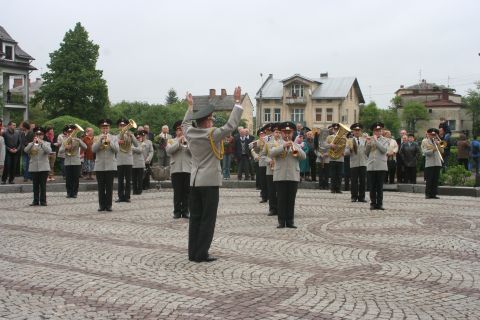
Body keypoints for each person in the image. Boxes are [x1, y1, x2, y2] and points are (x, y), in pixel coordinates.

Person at [183, 86, 243, 263]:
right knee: (208, 220)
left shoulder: (190, 133)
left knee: (195, 218)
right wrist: (237, 103)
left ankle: (192, 252)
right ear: (207, 122)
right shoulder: (212, 134)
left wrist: (190, 107)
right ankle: (201, 253)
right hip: (209, 182)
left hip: (194, 181)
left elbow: (185, 124)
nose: (213, 122)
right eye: (211, 119)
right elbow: (231, 125)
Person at [270, 121, 306, 228]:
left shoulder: (295, 144)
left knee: (291, 200)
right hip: (280, 175)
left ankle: (290, 221)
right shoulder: (277, 143)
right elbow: (272, 153)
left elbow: (303, 157)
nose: (287, 134)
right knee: (281, 199)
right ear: (281, 133)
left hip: (293, 176)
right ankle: (281, 222)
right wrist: (283, 146)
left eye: (289, 132)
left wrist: (294, 148)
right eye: (285, 132)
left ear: (293, 133)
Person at [166, 120, 192, 219]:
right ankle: (177, 211)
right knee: (177, 192)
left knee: (187, 192)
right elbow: (169, 151)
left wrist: (186, 143)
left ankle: (186, 211)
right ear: (175, 131)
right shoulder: (171, 140)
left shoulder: (190, 141)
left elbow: (193, 153)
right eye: (178, 129)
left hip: (187, 169)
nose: (180, 131)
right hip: (176, 169)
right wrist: (178, 142)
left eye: (182, 129)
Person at [93, 119, 119, 212]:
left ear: (109, 128)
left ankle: (109, 205)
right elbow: (93, 149)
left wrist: (110, 141)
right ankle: (101, 205)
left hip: (110, 165)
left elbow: (116, 150)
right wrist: (100, 140)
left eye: (106, 127)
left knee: (109, 187)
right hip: (99, 165)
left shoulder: (114, 137)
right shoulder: (96, 137)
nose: (105, 129)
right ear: (101, 128)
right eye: (103, 127)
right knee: (101, 187)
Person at [24, 127, 52, 206]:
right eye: (37, 134)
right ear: (35, 135)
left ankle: (43, 201)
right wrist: (33, 143)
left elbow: (49, 151)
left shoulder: (46, 143)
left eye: (41, 134)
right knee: (35, 185)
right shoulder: (31, 144)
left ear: (43, 135)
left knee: (43, 185)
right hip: (34, 167)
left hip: (44, 167)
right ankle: (35, 201)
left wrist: (41, 143)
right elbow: (25, 150)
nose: (39, 136)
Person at [366, 122, 389, 210]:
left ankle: (379, 204)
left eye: (379, 130)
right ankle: (372, 203)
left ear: (381, 131)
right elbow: (366, 153)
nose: (378, 132)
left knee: (379, 187)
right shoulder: (370, 139)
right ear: (373, 131)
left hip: (381, 166)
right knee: (372, 186)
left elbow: (384, 150)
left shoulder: (386, 140)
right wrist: (368, 143)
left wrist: (376, 141)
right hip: (371, 166)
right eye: (376, 131)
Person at [59, 124, 87, 198]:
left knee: (75, 178)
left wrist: (79, 140)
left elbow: (85, 147)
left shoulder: (77, 140)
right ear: (67, 133)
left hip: (76, 162)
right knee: (68, 179)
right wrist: (66, 147)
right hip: (68, 162)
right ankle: (69, 193)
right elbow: (60, 151)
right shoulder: (65, 141)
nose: (70, 133)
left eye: (71, 131)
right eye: (68, 132)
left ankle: (75, 193)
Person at [116, 118, 139, 203]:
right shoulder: (116, 136)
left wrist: (132, 136)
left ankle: (127, 197)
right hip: (120, 160)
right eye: (121, 126)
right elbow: (113, 146)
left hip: (129, 159)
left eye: (124, 125)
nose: (123, 127)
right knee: (120, 180)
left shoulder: (130, 134)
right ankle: (120, 197)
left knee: (128, 180)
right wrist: (118, 142)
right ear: (118, 127)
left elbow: (136, 145)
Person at [422, 128, 444, 199]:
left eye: (434, 135)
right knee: (429, 179)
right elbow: (424, 152)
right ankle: (427, 194)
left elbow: (442, 151)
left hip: (437, 162)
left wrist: (439, 144)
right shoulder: (425, 141)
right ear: (428, 134)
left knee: (435, 179)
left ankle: (434, 194)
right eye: (432, 135)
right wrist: (433, 150)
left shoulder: (437, 141)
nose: (433, 136)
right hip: (430, 163)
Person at [348, 123, 367, 202]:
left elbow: (367, 151)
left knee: (362, 181)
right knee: (354, 181)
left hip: (363, 162)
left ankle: (362, 197)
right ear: (353, 131)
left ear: (361, 131)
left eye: (358, 130)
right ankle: (354, 196)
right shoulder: (350, 140)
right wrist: (350, 149)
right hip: (354, 163)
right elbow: (345, 152)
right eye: (355, 130)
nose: (357, 132)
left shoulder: (364, 140)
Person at [264, 123, 280, 216]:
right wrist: (269, 160)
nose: (277, 133)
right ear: (273, 133)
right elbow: (263, 155)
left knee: (280, 190)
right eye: (275, 132)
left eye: (279, 132)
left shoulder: (284, 142)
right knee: (271, 190)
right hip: (270, 170)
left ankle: (281, 207)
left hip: (280, 170)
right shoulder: (268, 143)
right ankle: (272, 208)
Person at [326, 123, 346, 193]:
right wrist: (330, 145)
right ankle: (332, 188)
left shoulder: (343, 137)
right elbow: (325, 146)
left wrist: (344, 152)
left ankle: (338, 188)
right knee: (333, 174)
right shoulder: (329, 137)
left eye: (337, 129)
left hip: (340, 158)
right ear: (333, 129)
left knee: (339, 174)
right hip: (332, 158)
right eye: (335, 129)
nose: (336, 130)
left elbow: (346, 147)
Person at [251, 127, 268, 202]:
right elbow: (252, 149)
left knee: (269, 180)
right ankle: (263, 195)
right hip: (261, 162)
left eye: (263, 134)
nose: (262, 136)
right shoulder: (256, 142)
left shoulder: (269, 141)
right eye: (261, 134)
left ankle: (270, 195)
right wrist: (255, 156)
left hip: (270, 162)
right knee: (263, 180)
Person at [132, 130, 147, 195]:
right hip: (133, 163)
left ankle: (139, 190)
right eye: (137, 137)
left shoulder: (143, 143)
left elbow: (140, 150)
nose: (139, 138)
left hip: (140, 163)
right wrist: (134, 148)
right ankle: (134, 190)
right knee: (134, 178)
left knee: (140, 178)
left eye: (140, 137)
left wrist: (132, 148)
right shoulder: (132, 143)